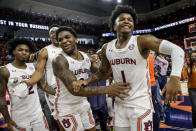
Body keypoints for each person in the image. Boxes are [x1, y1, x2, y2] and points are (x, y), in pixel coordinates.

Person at [73, 5, 185, 131]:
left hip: (140, 105)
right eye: (122, 19)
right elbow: (102, 73)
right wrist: (86, 81)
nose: (126, 21)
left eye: (130, 20)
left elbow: (177, 50)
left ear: (133, 26)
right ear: (114, 26)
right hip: (120, 105)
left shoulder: (142, 41)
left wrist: (175, 77)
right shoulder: (106, 48)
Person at [52, 26, 131, 131]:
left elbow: (103, 74)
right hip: (66, 106)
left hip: (82, 103)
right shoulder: (59, 60)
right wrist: (108, 89)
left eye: (67, 37)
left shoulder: (87, 57)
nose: (64, 41)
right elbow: (75, 90)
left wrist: (112, 59)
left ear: (75, 39)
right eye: (60, 40)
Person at [0, 38, 50, 131]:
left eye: (27, 51)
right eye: (20, 50)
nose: (24, 52)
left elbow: (43, 86)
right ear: (13, 52)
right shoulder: (4, 70)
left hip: (38, 115)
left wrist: (61, 92)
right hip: (19, 117)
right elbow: (1, 98)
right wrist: (7, 120)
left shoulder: (33, 67)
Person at [22, 24, 62, 130]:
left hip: (69, 89)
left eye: (56, 31)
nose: (54, 34)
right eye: (51, 33)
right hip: (52, 90)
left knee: (69, 121)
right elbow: (38, 72)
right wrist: (29, 82)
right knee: (55, 119)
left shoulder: (69, 48)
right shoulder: (45, 51)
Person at [181, 50, 196, 131]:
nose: (193, 57)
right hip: (192, 90)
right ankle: (195, 127)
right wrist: (184, 67)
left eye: (195, 56)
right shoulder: (188, 66)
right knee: (194, 109)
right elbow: (182, 78)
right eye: (192, 56)